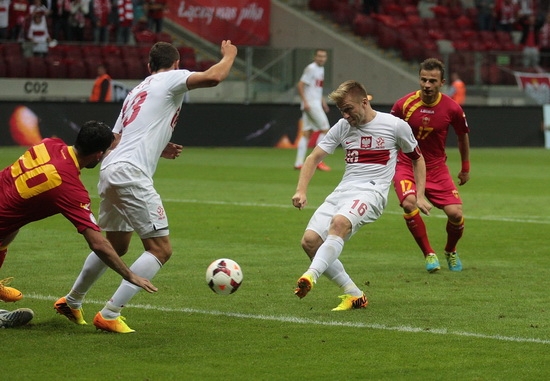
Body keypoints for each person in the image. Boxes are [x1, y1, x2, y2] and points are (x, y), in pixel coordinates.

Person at [56, 40, 238, 333]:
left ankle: (72, 300)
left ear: (148, 66)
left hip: (111, 168)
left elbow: (116, 138)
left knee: (116, 245)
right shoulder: (171, 78)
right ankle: (110, 313)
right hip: (131, 172)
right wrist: (230, 55)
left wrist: (160, 146)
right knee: (160, 249)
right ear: (176, 65)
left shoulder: (135, 91)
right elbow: (214, 77)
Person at [292, 80, 429, 310]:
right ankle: (354, 294)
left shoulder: (395, 126)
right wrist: (301, 190)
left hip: (372, 192)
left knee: (339, 223)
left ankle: (310, 275)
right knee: (310, 242)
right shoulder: (343, 127)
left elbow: (417, 158)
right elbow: (313, 158)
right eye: (341, 111)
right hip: (344, 190)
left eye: (348, 109)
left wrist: (421, 194)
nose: (345, 115)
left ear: (364, 102)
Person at [0, 121, 157, 306]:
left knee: (10, 229)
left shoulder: (49, 144)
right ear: (99, 155)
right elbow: (98, 243)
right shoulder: (70, 188)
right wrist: (130, 275)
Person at [391, 58, 470, 273]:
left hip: (436, 167)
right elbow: (388, 132)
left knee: (455, 213)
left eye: (432, 81)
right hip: (406, 163)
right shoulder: (403, 104)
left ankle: (450, 251)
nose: (427, 85)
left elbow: (462, 136)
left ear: (442, 82)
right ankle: (429, 253)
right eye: (423, 79)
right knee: (409, 203)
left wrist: (465, 167)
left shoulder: (452, 108)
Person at [294, 48, 332, 172]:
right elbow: (300, 85)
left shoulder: (321, 69)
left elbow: (316, 88)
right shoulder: (311, 68)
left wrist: (323, 102)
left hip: (315, 103)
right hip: (310, 104)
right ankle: (318, 161)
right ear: (314, 57)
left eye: (323, 56)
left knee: (307, 133)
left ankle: (299, 163)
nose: (321, 58)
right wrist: (305, 101)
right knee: (326, 129)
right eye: (319, 56)